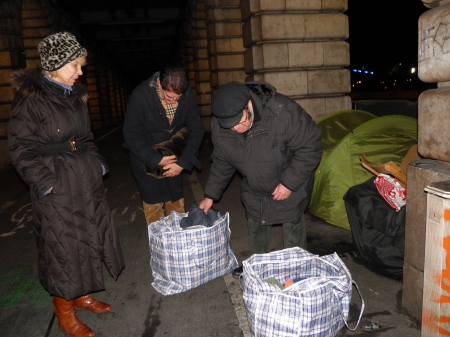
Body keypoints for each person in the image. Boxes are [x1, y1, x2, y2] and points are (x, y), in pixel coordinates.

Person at [7, 32, 125, 337]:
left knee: (87, 240)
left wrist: (97, 165)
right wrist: (47, 184)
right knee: (62, 248)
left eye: (80, 65)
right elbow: (20, 149)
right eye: (75, 65)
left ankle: (82, 295)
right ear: (54, 65)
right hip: (57, 184)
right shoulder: (31, 100)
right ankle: (64, 311)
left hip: (85, 180)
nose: (80, 71)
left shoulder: (75, 96)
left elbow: (86, 138)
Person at [198, 81, 323, 278]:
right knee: (256, 222)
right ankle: (256, 268)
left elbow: (311, 146)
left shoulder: (282, 113)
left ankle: (298, 273)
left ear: (248, 105)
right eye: (230, 126)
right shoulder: (222, 125)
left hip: (288, 178)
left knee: (292, 225)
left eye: (240, 122)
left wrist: (289, 183)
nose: (236, 128)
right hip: (255, 184)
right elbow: (222, 162)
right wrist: (210, 196)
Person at [123, 64, 204, 225]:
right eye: (169, 96)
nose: (174, 101)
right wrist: (156, 159)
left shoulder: (187, 94)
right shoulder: (141, 95)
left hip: (173, 156)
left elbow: (197, 130)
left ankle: (178, 247)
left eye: (178, 98)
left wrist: (182, 164)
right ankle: (159, 246)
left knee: (176, 204)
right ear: (160, 84)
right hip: (146, 159)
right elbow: (131, 135)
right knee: (153, 208)